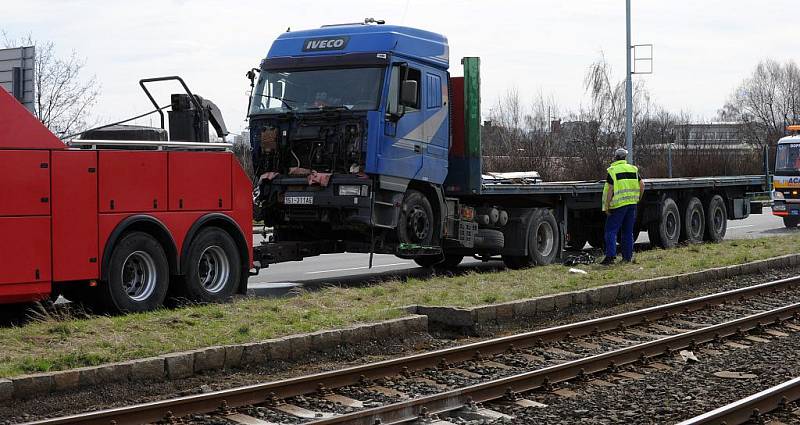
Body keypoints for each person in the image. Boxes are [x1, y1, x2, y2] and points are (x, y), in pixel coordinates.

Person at [600, 148, 644, 265]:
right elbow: (642, 185)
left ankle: (610, 257)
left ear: (615, 157)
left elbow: (610, 189)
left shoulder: (613, 170)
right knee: (628, 232)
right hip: (631, 204)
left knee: (610, 231)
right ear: (625, 158)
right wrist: (638, 198)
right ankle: (627, 258)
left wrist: (607, 206)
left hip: (618, 205)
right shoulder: (633, 169)